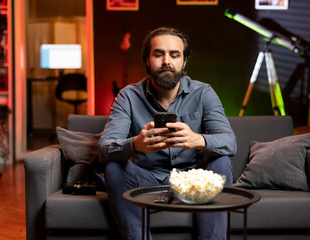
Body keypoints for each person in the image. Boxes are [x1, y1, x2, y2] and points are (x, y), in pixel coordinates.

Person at [98, 26, 237, 240]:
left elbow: (230, 142)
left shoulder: (204, 92)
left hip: (192, 181)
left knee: (221, 160)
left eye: (174, 54)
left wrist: (197, 140)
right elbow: (104, 148)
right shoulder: (128, 96)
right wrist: (135, 144)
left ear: (184, 62)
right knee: (114, 164)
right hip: (146, 181)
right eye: (158, 54)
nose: (166, 61)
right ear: (147, 60)